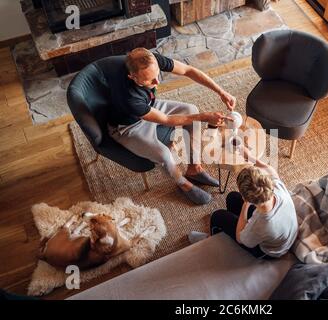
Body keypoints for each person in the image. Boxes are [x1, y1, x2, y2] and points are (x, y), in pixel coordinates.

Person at [101, 48, 236, 205]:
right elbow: (166, 119)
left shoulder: (149, 60)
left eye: (157, 74)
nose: (157, 82)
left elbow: (188, 70)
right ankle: (183, 184)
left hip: (150, 105)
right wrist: (205, 117)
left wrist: (221, 92)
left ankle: (194, 168)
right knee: (164, 155)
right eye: (149, 80)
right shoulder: (129, 97)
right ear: (132, 76)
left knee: (191, 110)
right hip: (128, 126)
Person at [189, 147, 298, 259]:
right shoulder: (276, 186)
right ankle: (231, 226)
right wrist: (249, 156)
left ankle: (210, 241)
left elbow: (240, 238)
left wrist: (245, 205)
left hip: (269, 251)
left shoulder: (261, 223)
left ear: (248, 199)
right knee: (232, 197)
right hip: (283, 233)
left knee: (217, 216)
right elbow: (266, 168)